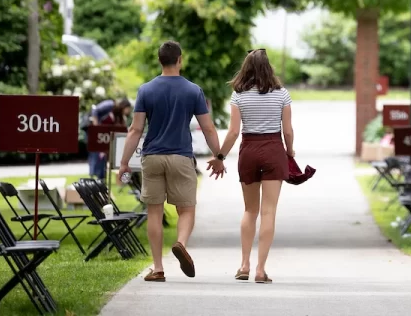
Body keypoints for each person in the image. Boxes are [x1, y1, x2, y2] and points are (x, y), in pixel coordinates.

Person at [119, 41, 225, 282]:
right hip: (181, 156)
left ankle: (157, 269)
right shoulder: (193, 90)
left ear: (160, 61)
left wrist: (124, 162)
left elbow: (135, 129)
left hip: (152, 157)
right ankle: (180, 243)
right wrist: (218, 156)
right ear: (180, 60)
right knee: (186, 209)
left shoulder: (145, 90)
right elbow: (208, 127)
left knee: (154, 212)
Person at [207, 48, 294, 284]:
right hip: (274, 149)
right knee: (268, 212)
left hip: (249, 150)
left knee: (249, 210)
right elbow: (287, 130)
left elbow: (234, 132)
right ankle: (260, 269)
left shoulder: (238, 96)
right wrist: (290, 151)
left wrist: (220, 156)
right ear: (269, 68)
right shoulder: (282, 94)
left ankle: (244, 265)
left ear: (246, 68)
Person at [87, 98, 116, 179]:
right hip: (95, 131)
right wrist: (96, 128)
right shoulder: (110, 104)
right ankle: (94, 175)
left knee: (102, 153)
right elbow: (95, 110)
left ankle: (100, 175)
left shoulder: (113, 110)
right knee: (95, 152)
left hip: (101, 133)